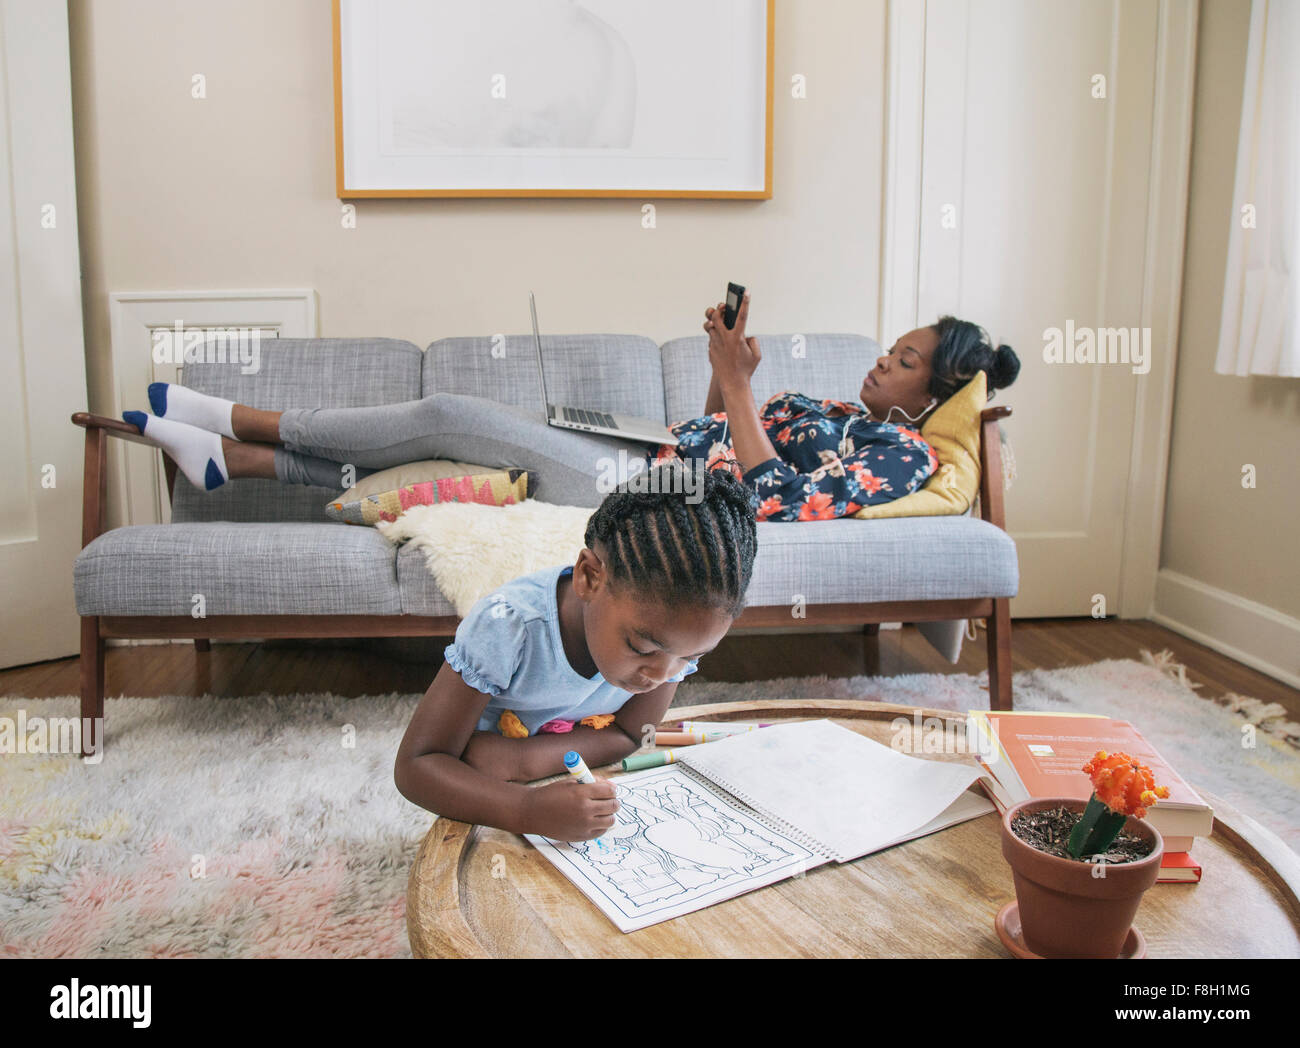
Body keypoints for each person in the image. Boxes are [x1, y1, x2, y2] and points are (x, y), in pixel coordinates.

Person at [121, 294, 1020, 519]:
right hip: (650, 451)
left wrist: (743, 390)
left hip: (663, 494)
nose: (881, 362)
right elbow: (714, 428)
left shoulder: (910, 459)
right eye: (891, 348)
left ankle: (243, 418)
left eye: (903, 363)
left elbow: (772, 496)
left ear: (934, 393)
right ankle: (232, 463)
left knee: (447, 412)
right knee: (452, 451)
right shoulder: (844, 409)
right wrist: (724, 369)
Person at [392, 464, 758, 840]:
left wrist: (525, 760)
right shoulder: (508, 625)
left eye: (690, 658)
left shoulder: (671, 646)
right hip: (483, 796)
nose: (662, 675)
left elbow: (632, 735)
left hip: (549, 782)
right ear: (589, 577)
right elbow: (418, 765)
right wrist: (525, 809)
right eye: (641, 647)